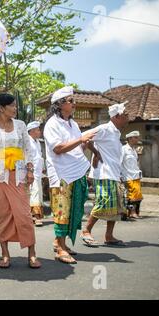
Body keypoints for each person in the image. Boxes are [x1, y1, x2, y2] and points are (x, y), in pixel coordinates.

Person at [0, 93, 41, 269]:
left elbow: (28, 150)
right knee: (3, 215)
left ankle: (32, 253)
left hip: (19, 175)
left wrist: (30, 171)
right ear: (1, 108)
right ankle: (5, 254)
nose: (16, 108)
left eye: (16, 105)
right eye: (13, 106)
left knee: (24, 214)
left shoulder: (21, 125)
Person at [43, 86, 99, 264]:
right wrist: (81, 139)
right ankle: (60, 249)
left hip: (76, 171)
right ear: (59, 105)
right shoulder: (52, 124)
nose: (74, 104)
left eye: (74, 101)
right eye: (70, 101)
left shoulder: (73, 124)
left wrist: (85, 143)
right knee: (62, 210)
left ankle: (61, 243)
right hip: (62, 174)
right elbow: (58, 149)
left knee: (74, 209)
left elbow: (75, 147)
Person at [81, 102, 129, 247]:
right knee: (104, 201)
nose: (128, 118)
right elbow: (84, 137)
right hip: (104, 174)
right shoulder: (105, 129)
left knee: (116, 206)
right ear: (117, 116)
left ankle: (109, 236)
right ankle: (86, 230)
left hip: (114, 173)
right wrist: (95, 153)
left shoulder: (116, 132)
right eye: (126, 115)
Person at [121, 131, 143, 220]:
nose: (137, 139)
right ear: (130, 139)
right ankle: (132, 212)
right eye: (136, 137)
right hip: (128, 176)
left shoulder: (134, 150)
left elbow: (135, 163)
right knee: (132, 195)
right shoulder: (123, 149)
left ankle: (132, 212)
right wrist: (120, 175)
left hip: (136, 175)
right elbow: (119, 162)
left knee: (137, 195)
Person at [26, 121, 45, 226]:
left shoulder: (37, 142)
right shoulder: (27, 142)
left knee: (36, 194)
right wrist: (30, 171)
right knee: (35, 193)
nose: (40, 131)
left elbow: (39, 157)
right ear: (32, 131)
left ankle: (32, 215)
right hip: (31, 172)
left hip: (38, 172)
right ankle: (36, 216)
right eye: (38, 130)